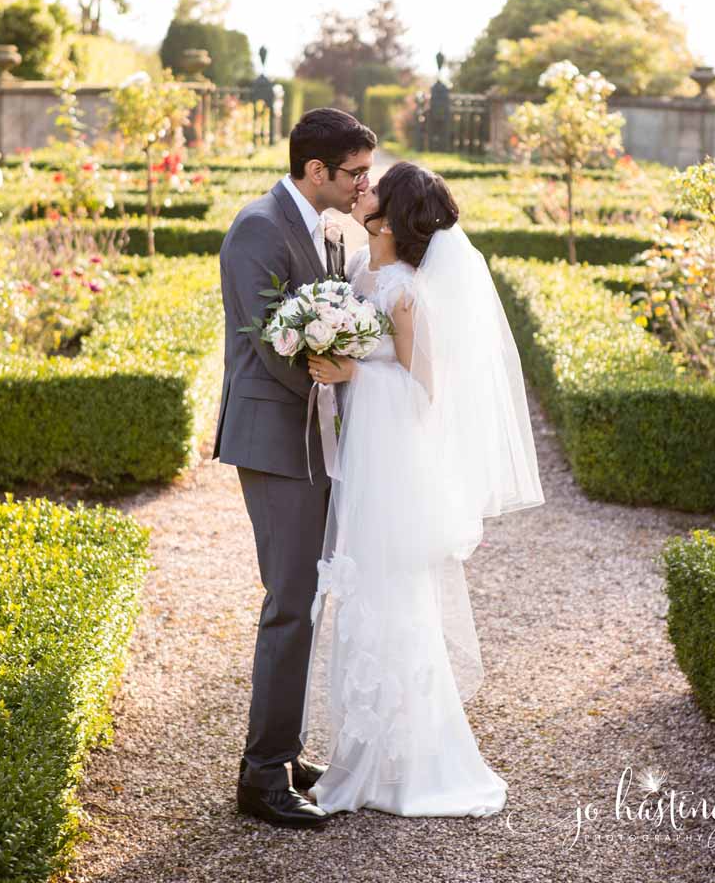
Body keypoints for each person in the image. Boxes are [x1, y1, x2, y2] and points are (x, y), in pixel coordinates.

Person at [300, 161, 545, 817]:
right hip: (361, 455)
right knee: (357, 590)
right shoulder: (356, 271)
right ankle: (360, 757)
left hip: (393, 463)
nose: (362, 189)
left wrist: (355, 372)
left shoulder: (407, 291)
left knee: (393, 595)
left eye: (373, 186)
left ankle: (412, 763)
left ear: (391, 211)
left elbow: (424, 391)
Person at [214, 108, 377, 829]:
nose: (362, 185)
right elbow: (267, 341)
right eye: (354, 173)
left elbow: (312, 319)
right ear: (317, 171)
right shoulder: (258, 226)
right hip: (276, 437)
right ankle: (258, 778)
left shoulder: (325, 228)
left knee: (306, 597)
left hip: (311, 435)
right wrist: (331, 377)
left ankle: (283, 749)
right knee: (287, 602)